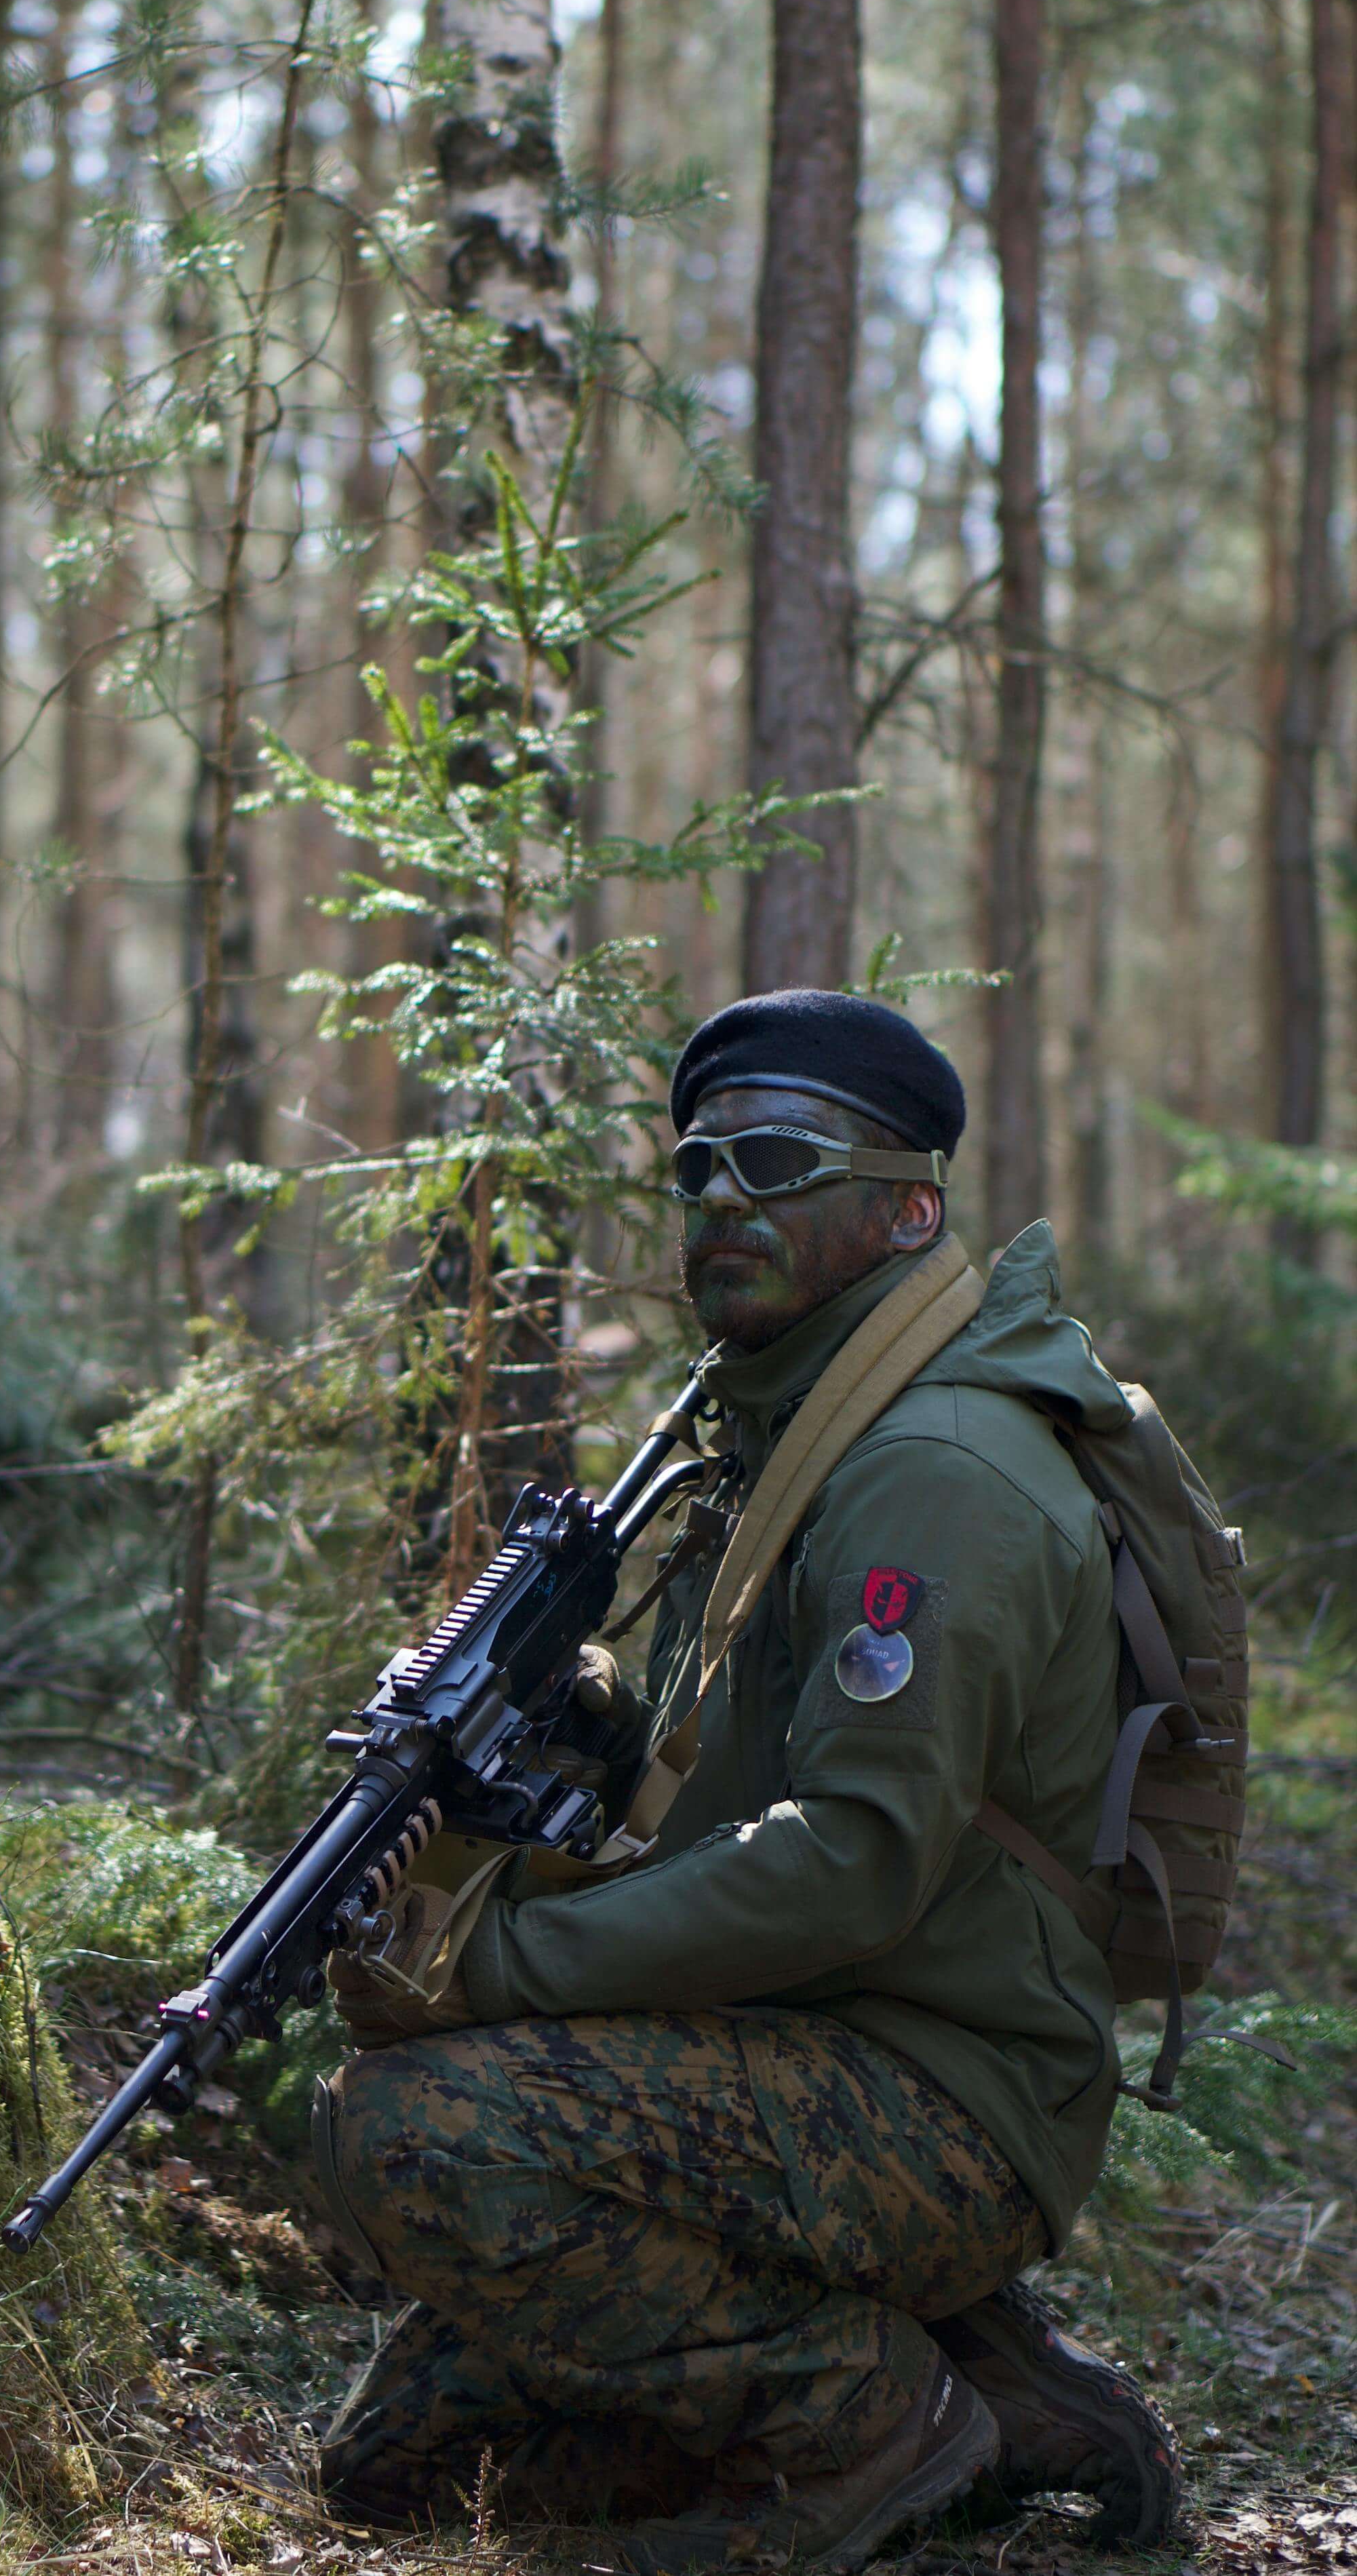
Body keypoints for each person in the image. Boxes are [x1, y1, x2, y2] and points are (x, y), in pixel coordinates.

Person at [312, 988, 1180, 2575]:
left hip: (946, 2088)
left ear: (907, 1205)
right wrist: (570, 1736)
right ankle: (991, 2383)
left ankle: (879, 2421)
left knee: (419, 2135)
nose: (723, 1197)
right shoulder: (793, 1425)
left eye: (776, 1160)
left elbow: (854, 1860)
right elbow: (741, 1782)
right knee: (398, 2470)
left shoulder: (932, 1472)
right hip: (807, 2037)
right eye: (698, 1167)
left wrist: (491, 1966)